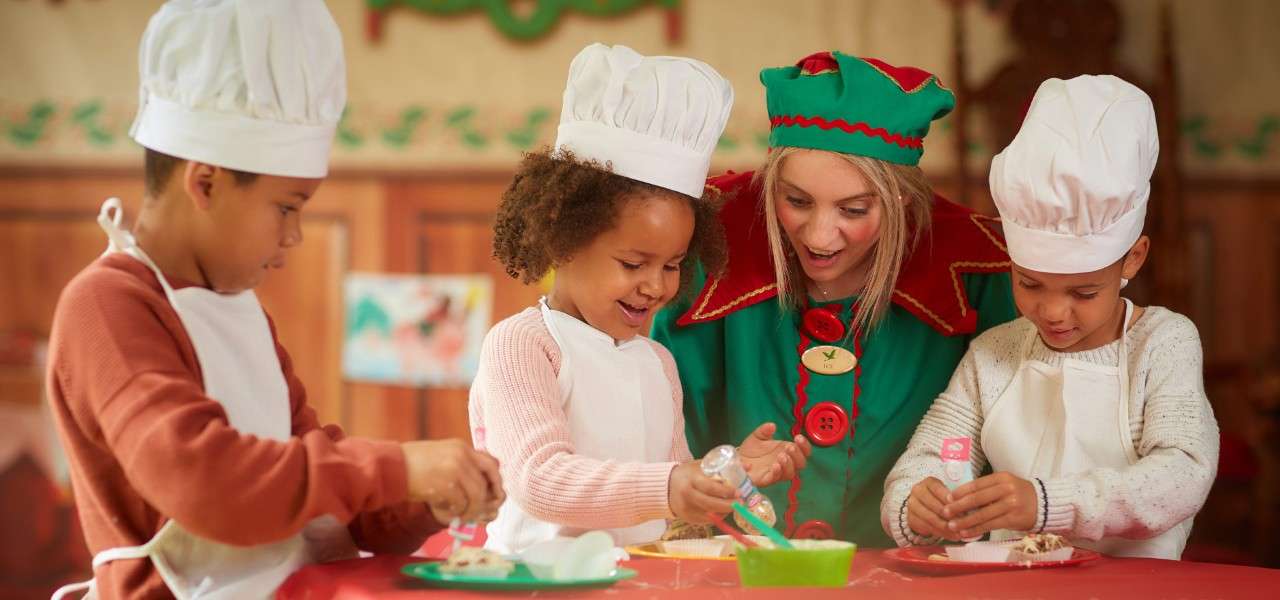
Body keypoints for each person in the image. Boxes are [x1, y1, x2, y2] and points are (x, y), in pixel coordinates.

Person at [46, 2, 502, 597]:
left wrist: (426, 496)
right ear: (204, 182)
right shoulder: (105, 307)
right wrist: (398, 468)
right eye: (286, 206)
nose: (293, 235)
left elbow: (321, 491)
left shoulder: (238, 310)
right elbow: (205, 481)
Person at [652, 51, 1016, 545]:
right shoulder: (704, 247)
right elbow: (660, 441)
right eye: (796, 201)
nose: (821, 236)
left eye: (854, 209)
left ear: (902, 204)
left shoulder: (983, 273)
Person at [471, 44, 809, 554]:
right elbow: (541, 481)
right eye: (633, 264)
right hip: (537, 582)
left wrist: (725, 473)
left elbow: (670, 489)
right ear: (563, 241)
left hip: (636, 578)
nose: (657, 285)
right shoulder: (523, 345)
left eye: (672, 265)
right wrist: (671, 487)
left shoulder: (658, 363)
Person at [882, 75, 1219, 559]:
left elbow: (1183, 474)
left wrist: (1045, 504)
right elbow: (940, 453)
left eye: (1084, 291)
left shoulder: (1161, 341)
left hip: (1137, 588)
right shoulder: (996, 353)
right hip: (1009, 587)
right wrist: (919, 500)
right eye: (1029, 284)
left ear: (1133, 259)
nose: (1053, 312)